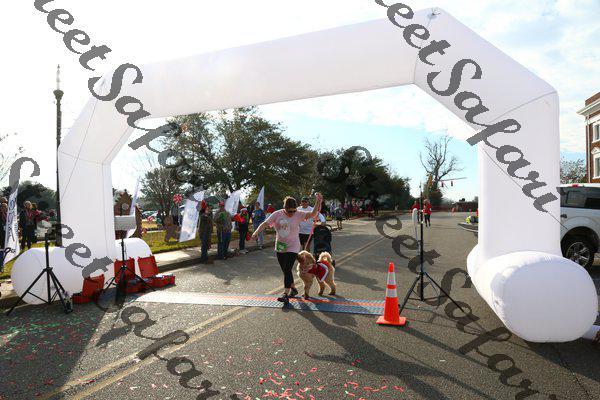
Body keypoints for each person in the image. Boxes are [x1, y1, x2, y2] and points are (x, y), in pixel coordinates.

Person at [252, 193, 323, 304]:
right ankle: (293, 288)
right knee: (285, 270)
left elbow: (313, 214)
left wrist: (318, 202)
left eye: (294, 211)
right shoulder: (277, 214)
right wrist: (256, 232)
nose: (292, 213)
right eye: (289, 211)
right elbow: (265, 223)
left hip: (293, 245)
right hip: (280, 245)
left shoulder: (298, 214)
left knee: (287, 268)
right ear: (284, 208)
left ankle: (285, 294)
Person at [1, 202, 7, 266]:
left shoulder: (6, 213)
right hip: (1, 231)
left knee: (3, 245)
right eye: (5, 207)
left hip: (5, 232)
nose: (6, 208)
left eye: (6, 207)